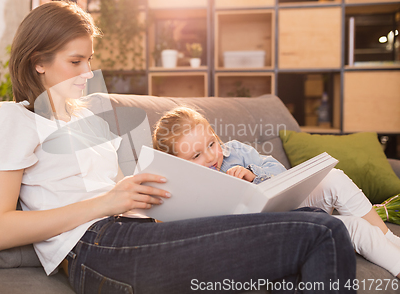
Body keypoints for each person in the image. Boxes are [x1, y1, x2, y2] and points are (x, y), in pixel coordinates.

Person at [0, 0, 357, 294]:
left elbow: (121, 193)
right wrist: (107, 203)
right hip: (97, 249)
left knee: (310, 243)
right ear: (38, 64)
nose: (88, 73)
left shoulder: (87, 121)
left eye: (90, 60)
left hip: (136, 232)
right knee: (324, 233)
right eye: (75, 61)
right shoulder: (17, 120)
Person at [152, 105, 400, 278]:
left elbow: (280, 172)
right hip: (278, 230)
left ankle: (390, 240)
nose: (210, 156)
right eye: (196, 155)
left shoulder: (234, 151)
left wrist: (253, 174)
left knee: (334, 178)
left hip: (288, 204)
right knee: (356, 227)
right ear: (178, 164)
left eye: (211, 143)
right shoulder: (185, 192)